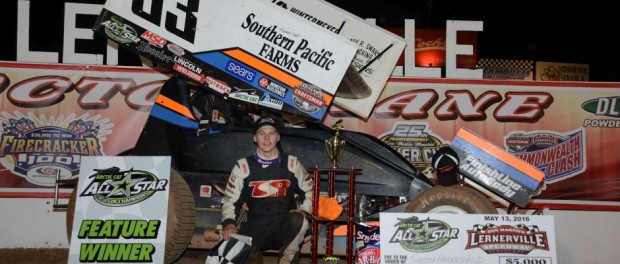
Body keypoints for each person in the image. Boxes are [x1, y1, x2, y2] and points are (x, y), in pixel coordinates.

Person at [220, 116, 314, 264]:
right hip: (255, 227)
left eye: (271, 133)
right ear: (254, 138)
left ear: (278, 137)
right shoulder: (242, 166)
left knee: (299, 221)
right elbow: (228, 199)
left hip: (283, 226)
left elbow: (311, 192)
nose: (267, 138)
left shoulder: (292, 163)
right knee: (229, 243)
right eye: (261, 133)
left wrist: (305, 210)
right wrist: (229, 223)